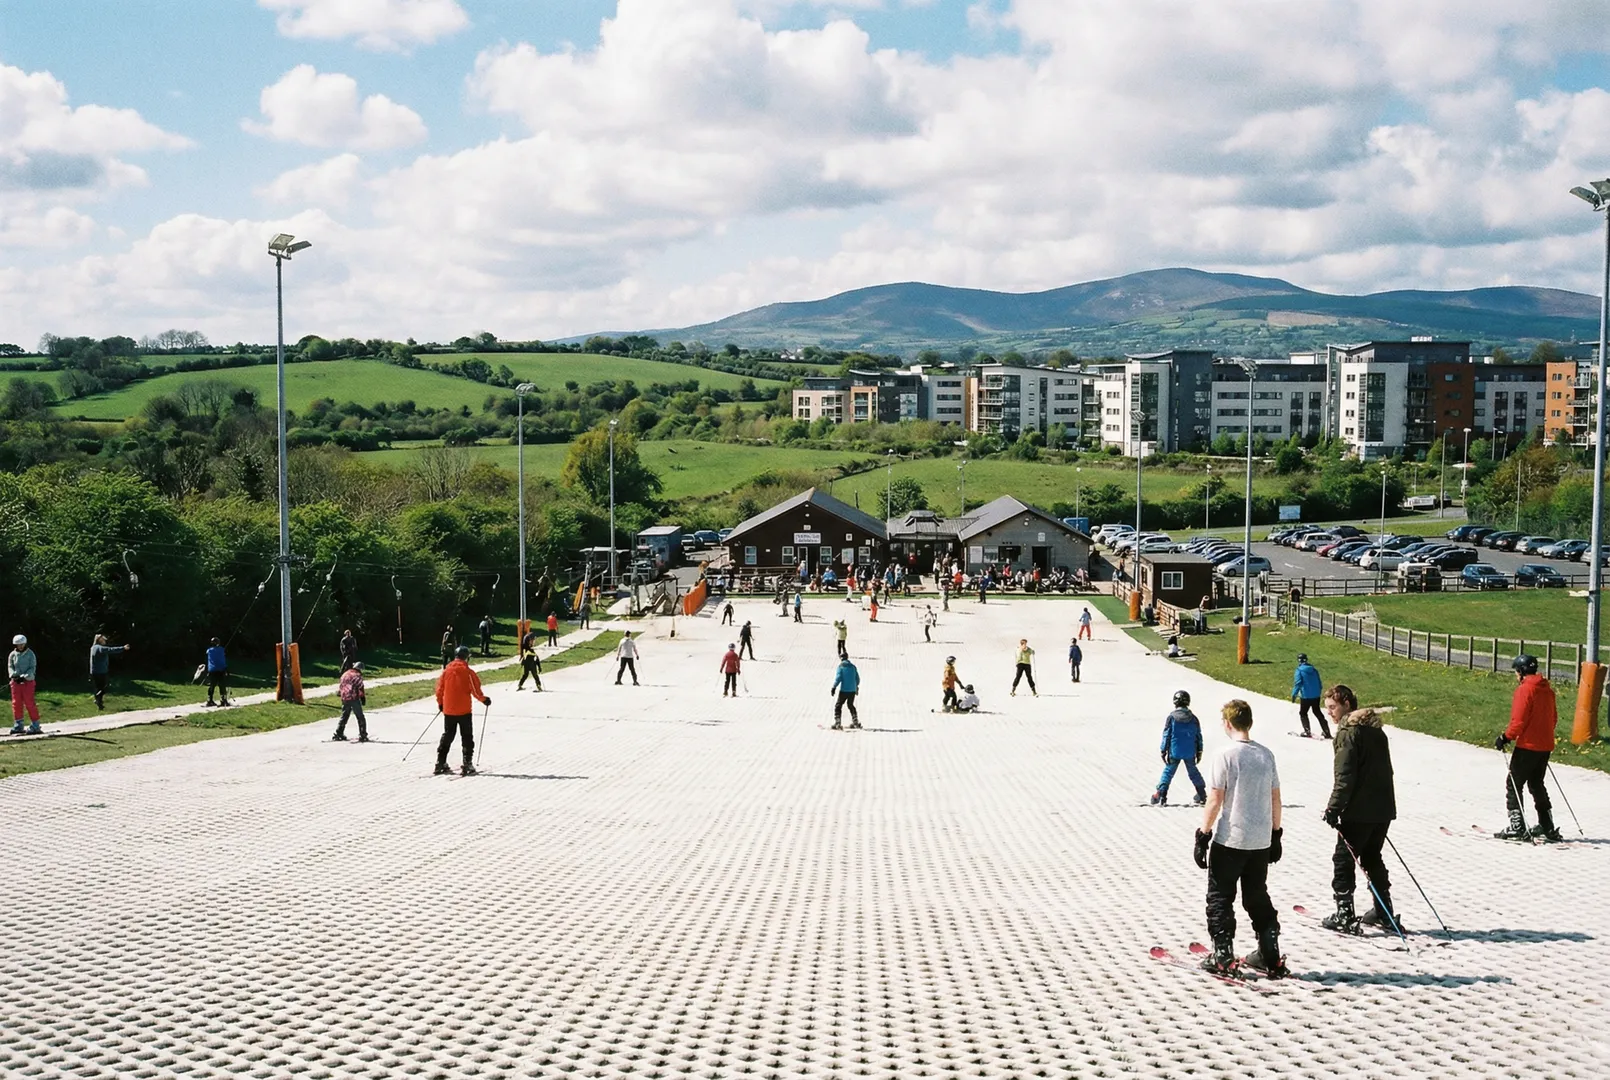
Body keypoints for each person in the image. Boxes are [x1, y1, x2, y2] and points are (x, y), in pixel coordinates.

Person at [1195, 699, 1286, 978]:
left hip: (1231, 839)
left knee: (1220, 896)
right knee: (1256, 895)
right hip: (1260, 841)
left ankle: (1223, 954)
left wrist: (1203, 834)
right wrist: (1276, 833)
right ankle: (1269, 953)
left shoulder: (1225, 755)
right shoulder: (1265, 755)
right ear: (1250, 722)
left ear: (1227, 723)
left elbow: (1215, 799)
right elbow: (1276, 798)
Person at [1318, 684, 1399, 932]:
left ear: (1347, 705)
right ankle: (1384, 910)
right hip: (1382, 809)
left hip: (1360, 810)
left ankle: (1345, 913)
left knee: (1344, 859)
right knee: (1372, 856)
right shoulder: (1376, 733)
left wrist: (1333, 809)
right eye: (1327, 708)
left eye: (1333, 707)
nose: (1329, 713)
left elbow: (1345, 776)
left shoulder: (1348, 733)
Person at [1495, 654, 1561, 842]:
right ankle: (1547, 825)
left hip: (1527, 746)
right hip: (1545, 745)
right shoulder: (1547, 690)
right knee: (1536, 783)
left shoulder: (1525, 690)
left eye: (1516, 671)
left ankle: (1517, 826)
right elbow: (1553, 718)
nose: (1516, 675)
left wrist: (1505, 737)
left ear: (1522, 672)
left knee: (1514, 784)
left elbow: (1519, 720)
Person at [433, 645, 489, 776]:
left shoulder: (446, 671)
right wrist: (484, 700)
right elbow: (475, 691)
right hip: (464, 710)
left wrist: (441, 703)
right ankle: (467, 764)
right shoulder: (468, 672)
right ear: (466, 657)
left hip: (449, 710)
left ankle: (440, 762)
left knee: (448, 735)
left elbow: (439, 689)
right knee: (467, 737)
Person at [1151, 690, 1206, 806]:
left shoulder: (1171, 718)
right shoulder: (1194, 719)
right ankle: (1202, 794)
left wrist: (1163, 749)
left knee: (1168, 772)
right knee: (1193, 772)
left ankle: (1161, 794)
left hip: (1174, 750)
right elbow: (1198, 735)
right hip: (1190, 751)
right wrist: (1199, 750)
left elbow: (1167, 734)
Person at [8, 635, 40, 735]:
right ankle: (18, 725)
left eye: (21, 644)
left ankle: (35, 725)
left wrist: (25, 676)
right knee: (16, 703)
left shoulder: (30, 654)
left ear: (25, 643)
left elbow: (32, 667)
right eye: (18, 644)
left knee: (29, 702)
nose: (20, 646)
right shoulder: (12, 655)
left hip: (28, 682)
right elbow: (10, 666)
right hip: (16, 682)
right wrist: (13, 675)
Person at [88, 634, 130, 711]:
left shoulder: (93, 648)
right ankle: (98, 699)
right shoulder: (100, 648)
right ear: (99, 640)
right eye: (103, 639)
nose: (105, 640)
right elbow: (111, 650)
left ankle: (99, 703)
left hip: (94, 671)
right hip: (100, 671)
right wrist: (123, 648)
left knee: (98, 688)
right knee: (104, 687)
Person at [1291, 653, 1329, 738]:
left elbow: (1298, 683)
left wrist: (1294, 694)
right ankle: (1327, 731)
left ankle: (1307, 731)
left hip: (1306, 696)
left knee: (1303, 713)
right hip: (1316, 695)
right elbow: (1319, 683)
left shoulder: (1299, 670)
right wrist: (1318, 691)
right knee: (1317, 712)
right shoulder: (1314, 670)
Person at [333, 662, 369, 742]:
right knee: (360, 716)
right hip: (353, 697)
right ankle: (363, 735)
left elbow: (341, 685)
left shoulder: (345, 674)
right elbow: (360, 687)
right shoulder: (357, 675)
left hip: (344, 697)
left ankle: (339, 733)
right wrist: (362, 697)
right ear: (360, 669)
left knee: (344, 715)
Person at [830, 655, 861, 730]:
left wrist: (834, 687)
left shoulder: (841, 667)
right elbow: (857, 679)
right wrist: (856, 686)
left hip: (844, 690)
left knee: (838, 705)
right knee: (850, 705)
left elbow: (838, 678)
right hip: (852, 690)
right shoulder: (853, 667)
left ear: (841, 659)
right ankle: (855, 720)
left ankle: (838, 722)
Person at [204, 637, 229, 707]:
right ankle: (223, 700)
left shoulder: (209, 650)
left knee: (212, 686)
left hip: (212, 670)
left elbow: (208, 653)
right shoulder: (222, 649)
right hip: (221, 669)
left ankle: (209, 700)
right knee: (222, 686)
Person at [517, 626, 543, 691]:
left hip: (526, 660)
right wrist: (539, 667)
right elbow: (536, 657)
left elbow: (523, 650)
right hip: (531, 660)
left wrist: (522, 658)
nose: (534, 641)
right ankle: (538, 685)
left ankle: (520, 685)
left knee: (525, 674)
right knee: (534, 674)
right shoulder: (530, 638)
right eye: (533, 640)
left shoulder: (525, 640)